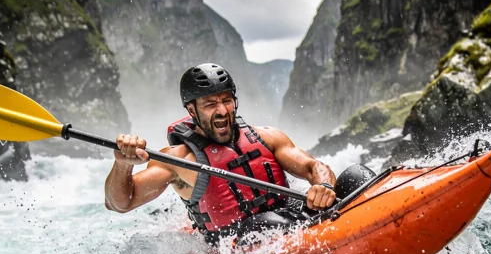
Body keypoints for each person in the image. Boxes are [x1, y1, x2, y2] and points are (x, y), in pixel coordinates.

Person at [104, 63, 337, 243]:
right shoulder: (177, 160)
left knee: (355, 177)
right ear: (191, 110)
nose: (222, 110)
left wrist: (324, 187)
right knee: (261, 225)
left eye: (227, 100)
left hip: (290, 223)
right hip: (241, 245)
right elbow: (120, 204)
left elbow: (314, 167)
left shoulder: (267, 137)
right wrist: (123, 165)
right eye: (210, 103)